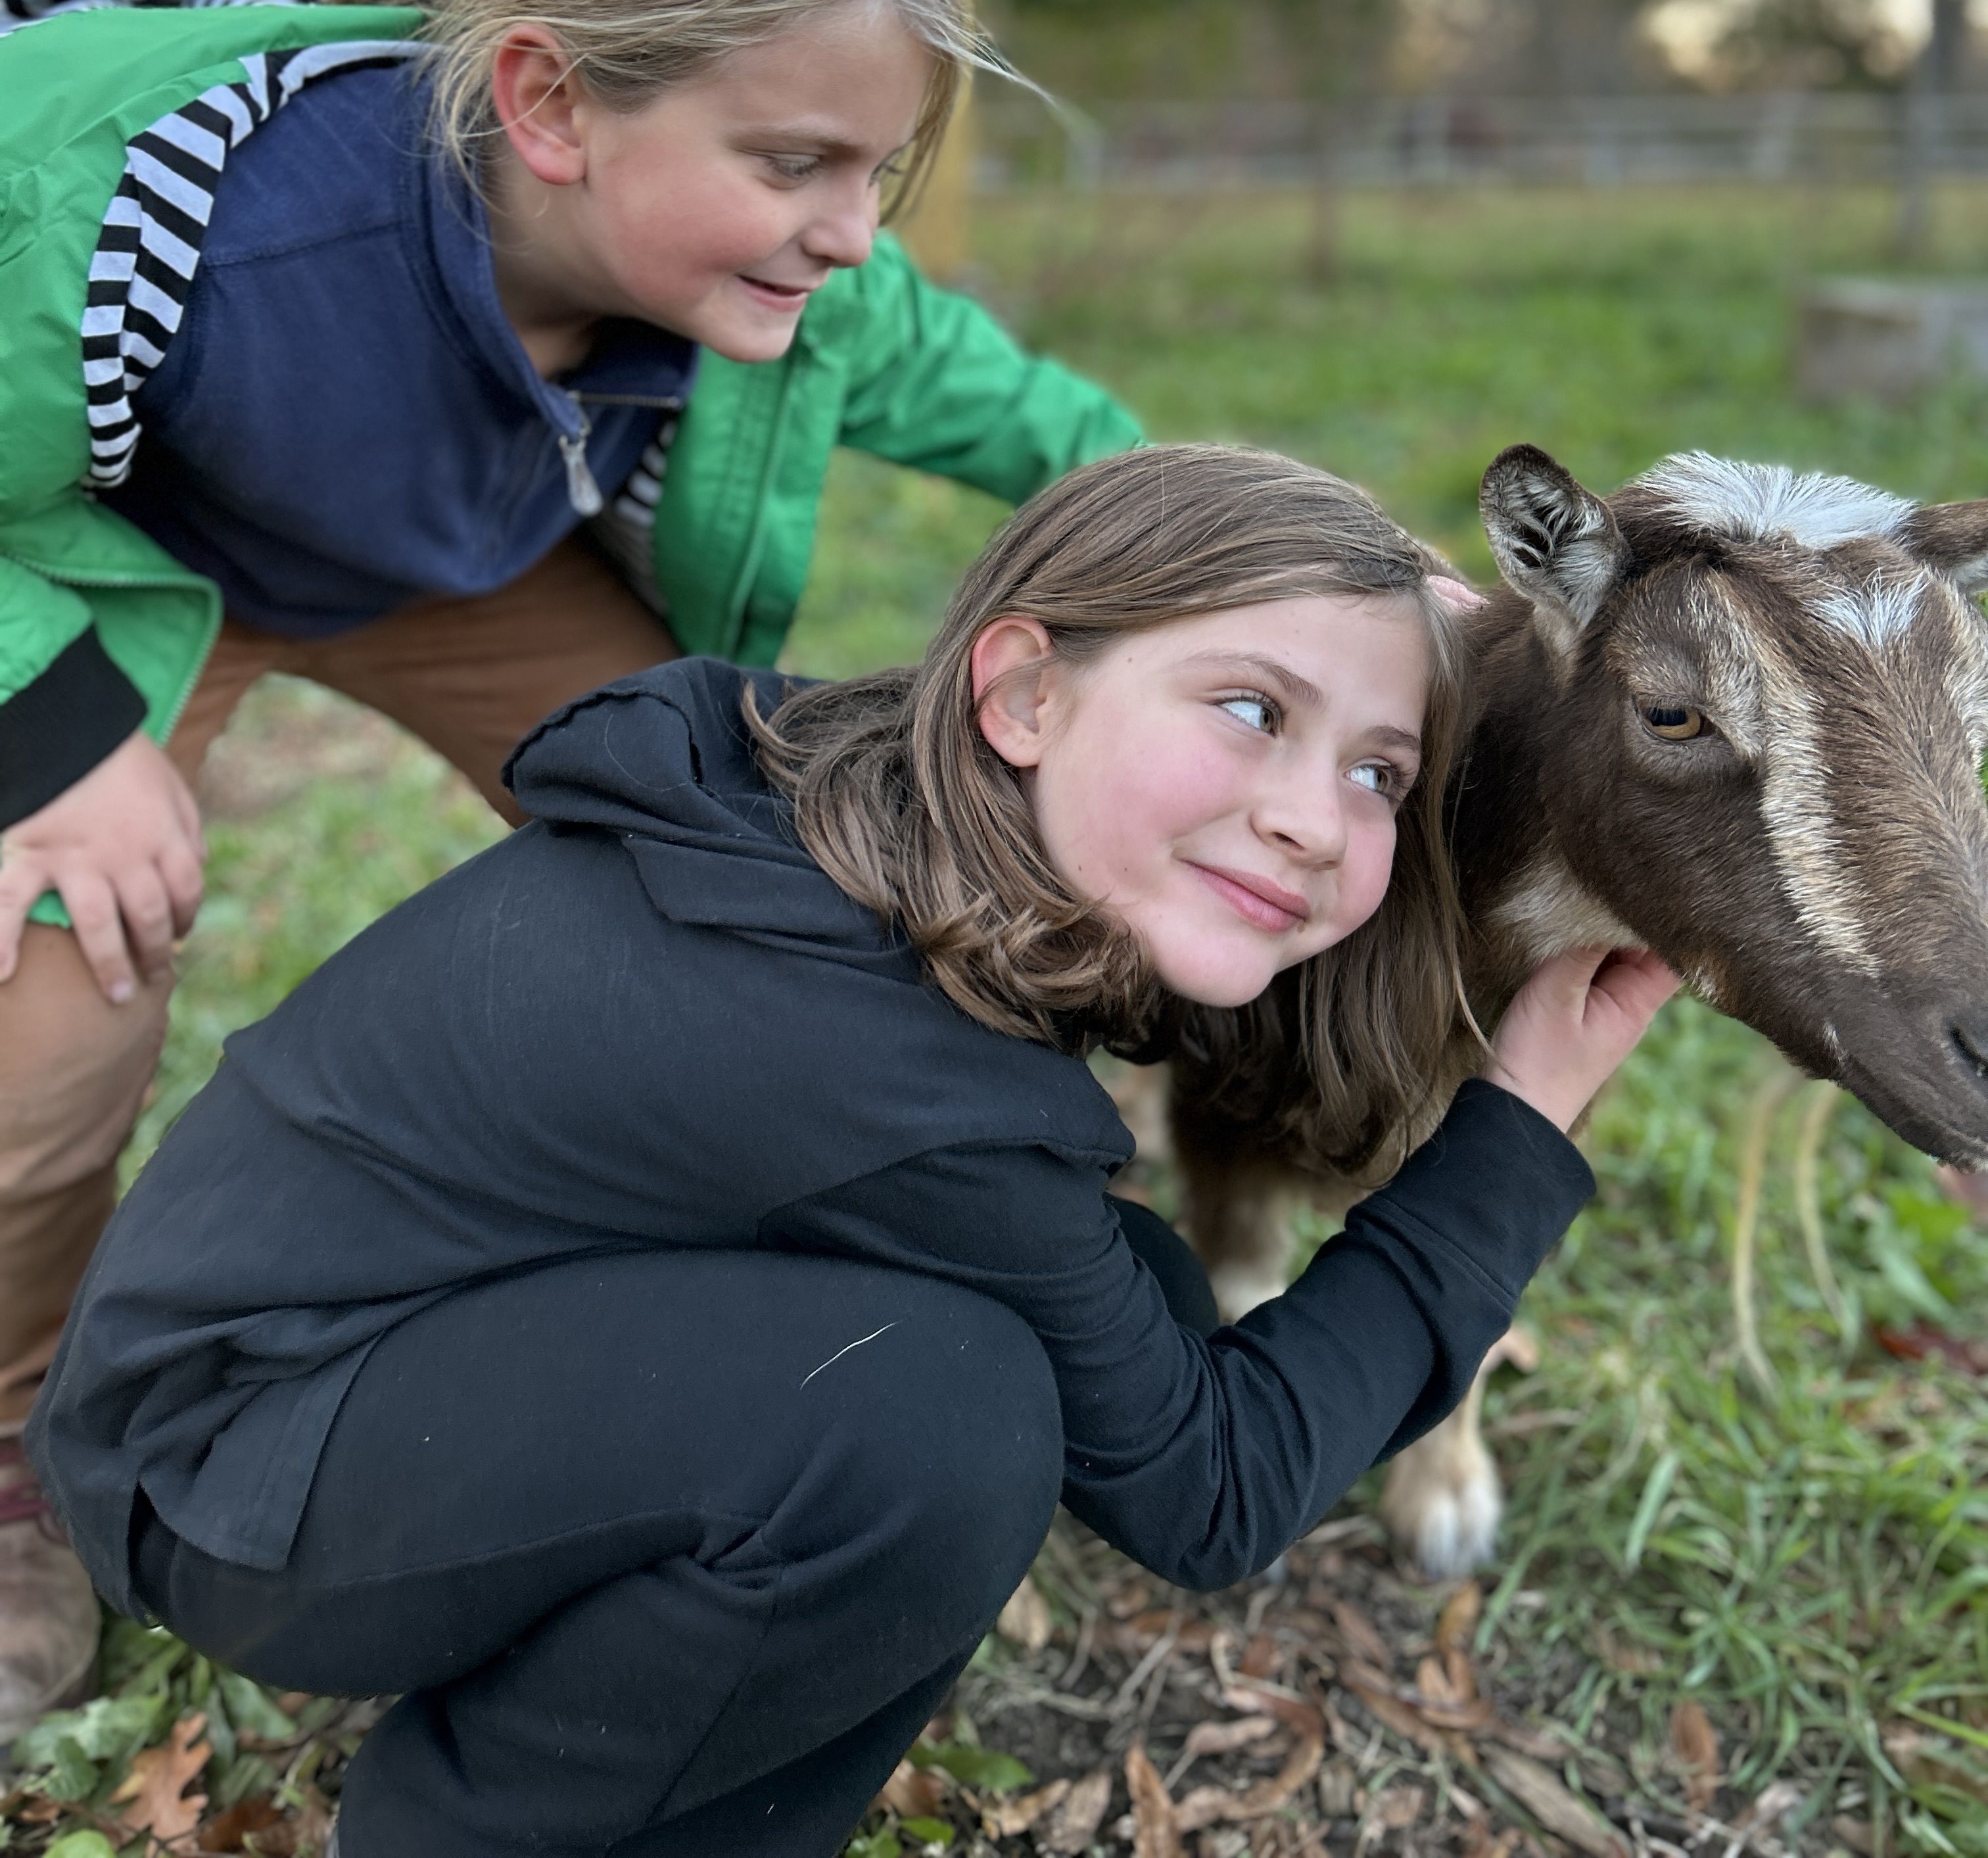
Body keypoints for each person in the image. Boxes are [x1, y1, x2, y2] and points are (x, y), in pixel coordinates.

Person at [30, 442, 1678, 1858]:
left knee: (1122, 1306)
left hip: (296, 1354)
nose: (1320, 817)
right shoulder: (869, 1065)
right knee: (930, 1423)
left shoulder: (864, 810)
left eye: (1379, 771)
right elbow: (1213, 1491)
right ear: (1025, 690)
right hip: (228, 1464)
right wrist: (1517, 1126)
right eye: (1251, 708)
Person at [0, 0, 1141, 1731]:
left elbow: (987, 392)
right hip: (119, 561)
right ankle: (16, 1446)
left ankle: (681, 1291)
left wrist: (1261, 533)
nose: (854, 232)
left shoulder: (778, 272)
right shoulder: (157, 208)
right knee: (55, 982)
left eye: (880, 173)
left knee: (757, 871)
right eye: (797, 165)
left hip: (459, 570)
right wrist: (47, 729)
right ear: (546, 101)